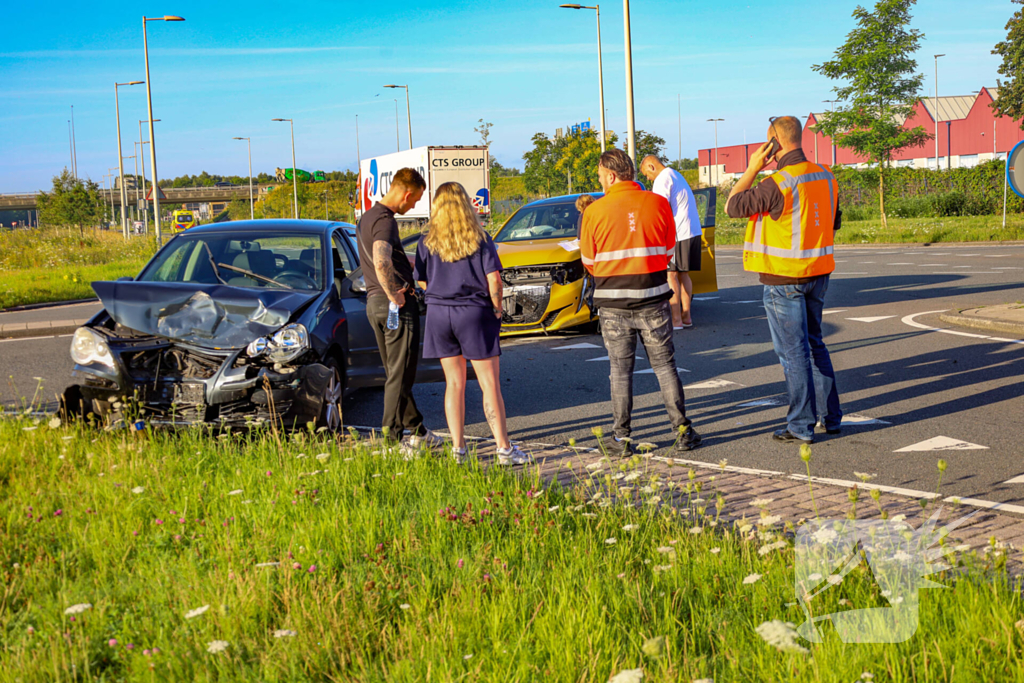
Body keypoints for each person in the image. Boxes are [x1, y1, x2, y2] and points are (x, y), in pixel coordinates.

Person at [725, 115, 843, 443]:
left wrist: (752, 168)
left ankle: (800, 425)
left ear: (774, 143)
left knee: (793, 352)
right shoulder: (826, 176)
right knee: (815, 344)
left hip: (783, 280)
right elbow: (832, 223)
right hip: (818, 274)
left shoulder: (777, 182)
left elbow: (732, 205)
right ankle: (830, 418)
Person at [580, 149, 701, 456]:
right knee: (664, 366)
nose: (600, 181)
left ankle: (621, 439)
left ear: (610, 175)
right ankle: (682, 431)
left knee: (620, 371)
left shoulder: (594, 212)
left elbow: (589, 262)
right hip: (653, 297)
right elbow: (668, 250)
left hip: (612, 303)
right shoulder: (658, 204)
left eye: (599, 176)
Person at [413, 182, 533, 466]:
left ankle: (458, 449)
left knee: (453, 383)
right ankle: (504, 449)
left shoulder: (426, 241)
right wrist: (496, 308)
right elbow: (494, 279)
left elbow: (421, 279)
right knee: (489, 384)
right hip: (473, 312)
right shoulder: (479, 237)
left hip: (439, 314)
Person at [356, 167, 443, 451]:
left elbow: (379, 258)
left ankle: (417, 428)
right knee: (400, 374)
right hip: (393, 305)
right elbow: (381, 261)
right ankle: (391, 442)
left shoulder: (366, 217)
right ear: (406, 193)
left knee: (396, 371)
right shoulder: (385, 221)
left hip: (373, 304)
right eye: (415, 199)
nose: (415, 205)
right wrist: (395, 293)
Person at [640, 156, 702, 329]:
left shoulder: (662, 179)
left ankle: (676, 320)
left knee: (670, 275)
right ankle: (686, 316)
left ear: (651, 166)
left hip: (677, 234)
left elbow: (658, 207)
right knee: (684, 274)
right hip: (692, 231)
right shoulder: (676, 175)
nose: (648, 178)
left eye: (646, 174)